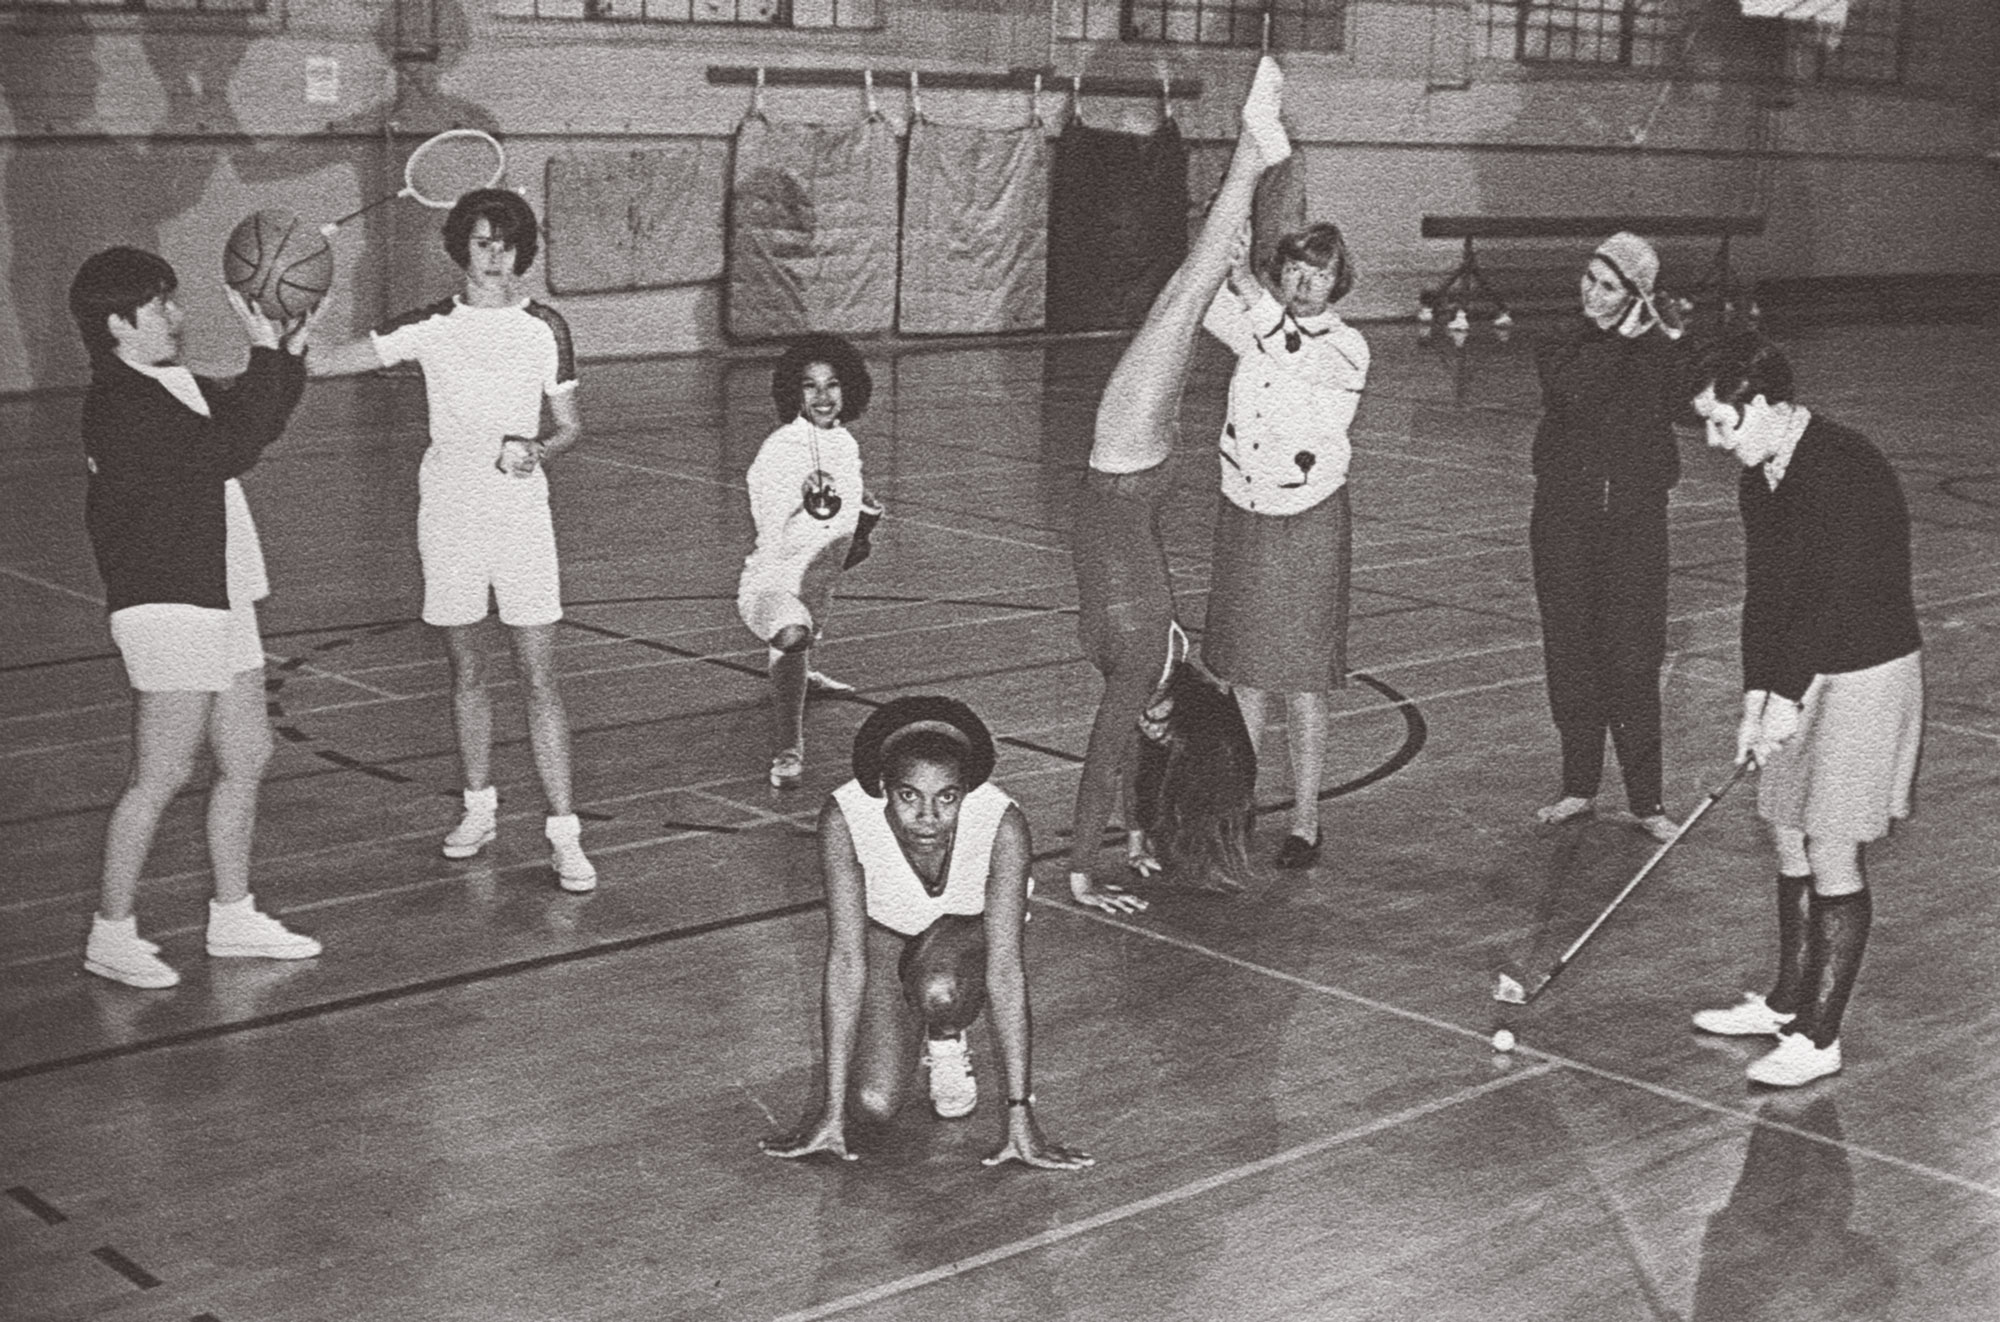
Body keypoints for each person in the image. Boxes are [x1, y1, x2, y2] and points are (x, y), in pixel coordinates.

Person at [310, 188, 596, 893]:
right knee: (467, 672)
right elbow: (322, 363)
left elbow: (568, 426)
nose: (495, 252)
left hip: (523, 520)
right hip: (449, 518)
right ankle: (478, 810)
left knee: (539, 678)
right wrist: (300, 305)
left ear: (522, 249)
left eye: (506, 240)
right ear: (461, 247)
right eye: (481, 239)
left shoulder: (546, 328)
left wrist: (539, 449)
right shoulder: (431, 325)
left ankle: (566, 835)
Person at [1066, 56, 1289, 909]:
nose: (1147, 726)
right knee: (1186, 293)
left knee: (1183, 292)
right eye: (1166, 727)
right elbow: (1103, 752)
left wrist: (1133, 836)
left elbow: (1123, 754)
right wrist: (1080, 871)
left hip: (1130, 476)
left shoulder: (1151, 675)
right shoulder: (1149, 664)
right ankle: (1252, 154)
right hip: (1124, 470)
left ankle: (1242, 201)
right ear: (1180, 717)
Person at [69, 246, 322, 988]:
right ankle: (109, 932)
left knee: (246, 755)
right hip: (168, 599)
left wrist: (286, 356)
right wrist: (267, 357)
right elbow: (231, 446)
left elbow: (248, 409)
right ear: (118, 322)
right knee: (162, 773)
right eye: (160, 305)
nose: (177, 316)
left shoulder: (168, 383)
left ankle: (233, 915)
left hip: (223, 590)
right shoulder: (118, 404)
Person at [1688, 332, 1922, 1088]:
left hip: (1866, 668)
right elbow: (1768, 597)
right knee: (1786, 830)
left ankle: (1821, 1038)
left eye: (1723, 423)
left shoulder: (1843, 468)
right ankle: (1787, 1003)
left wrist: (1786, 699)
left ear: (1761, 404)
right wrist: (1754, 701)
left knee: (1831, 850)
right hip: (1804, 662)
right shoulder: (1761, 479)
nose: (1717, 443)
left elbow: (1830, 599)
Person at [760, 696, 1092, 1170]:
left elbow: (1004, 969)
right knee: (872, 1106)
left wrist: (1021, 1116)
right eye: (910, 795)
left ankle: (946, 1033)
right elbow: (847, 961)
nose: (929, 818)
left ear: (966, 792)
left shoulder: (1003, 824)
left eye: (947, 798)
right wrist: (829, 1114)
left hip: (964, 942)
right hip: (887, 939)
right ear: (883, 788)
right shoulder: (844, 818)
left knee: (941, 989)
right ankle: (908, 1034)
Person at [1199, 210, 1369, 871]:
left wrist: (1248, 282)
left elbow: (1285, 347)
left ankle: (1305, 818)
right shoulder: (1256, 325)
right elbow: (1203, 295)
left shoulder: (1346, 347)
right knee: (1245, 671)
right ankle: (1238, 804)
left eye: (1318, 273)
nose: (1303, 283)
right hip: (1246, 510)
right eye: (1293, 269)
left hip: (1310, 515)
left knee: (1302, 678)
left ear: (1337, 282)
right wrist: (1224, 242)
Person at [1529, 232, 1692, 844]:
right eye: (1589, 280)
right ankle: (1579, 786)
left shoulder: (1651, 348)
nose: (1591, 294)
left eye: (1609, 287)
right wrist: (1623, 338)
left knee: (1632, 659)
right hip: (1563, 521)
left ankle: (1648, 800)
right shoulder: (1562, 340)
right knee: (1569, 654)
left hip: (1633, 525)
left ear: (1636, 295)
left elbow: (1688, 398)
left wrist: (1670, 339)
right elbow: (1577, 391)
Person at [736, 333, 882, 790]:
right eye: (810, 386)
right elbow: (776, 538)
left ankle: (799, 674)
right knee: (792, 631)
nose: (823, 397)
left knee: (802, 633)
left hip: (816, 583)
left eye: (832, 384)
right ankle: (788, 747)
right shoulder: (781, 448)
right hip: (768, 585)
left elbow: (844, 524)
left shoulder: (845, 445)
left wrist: (863, 526)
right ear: (793, 393)